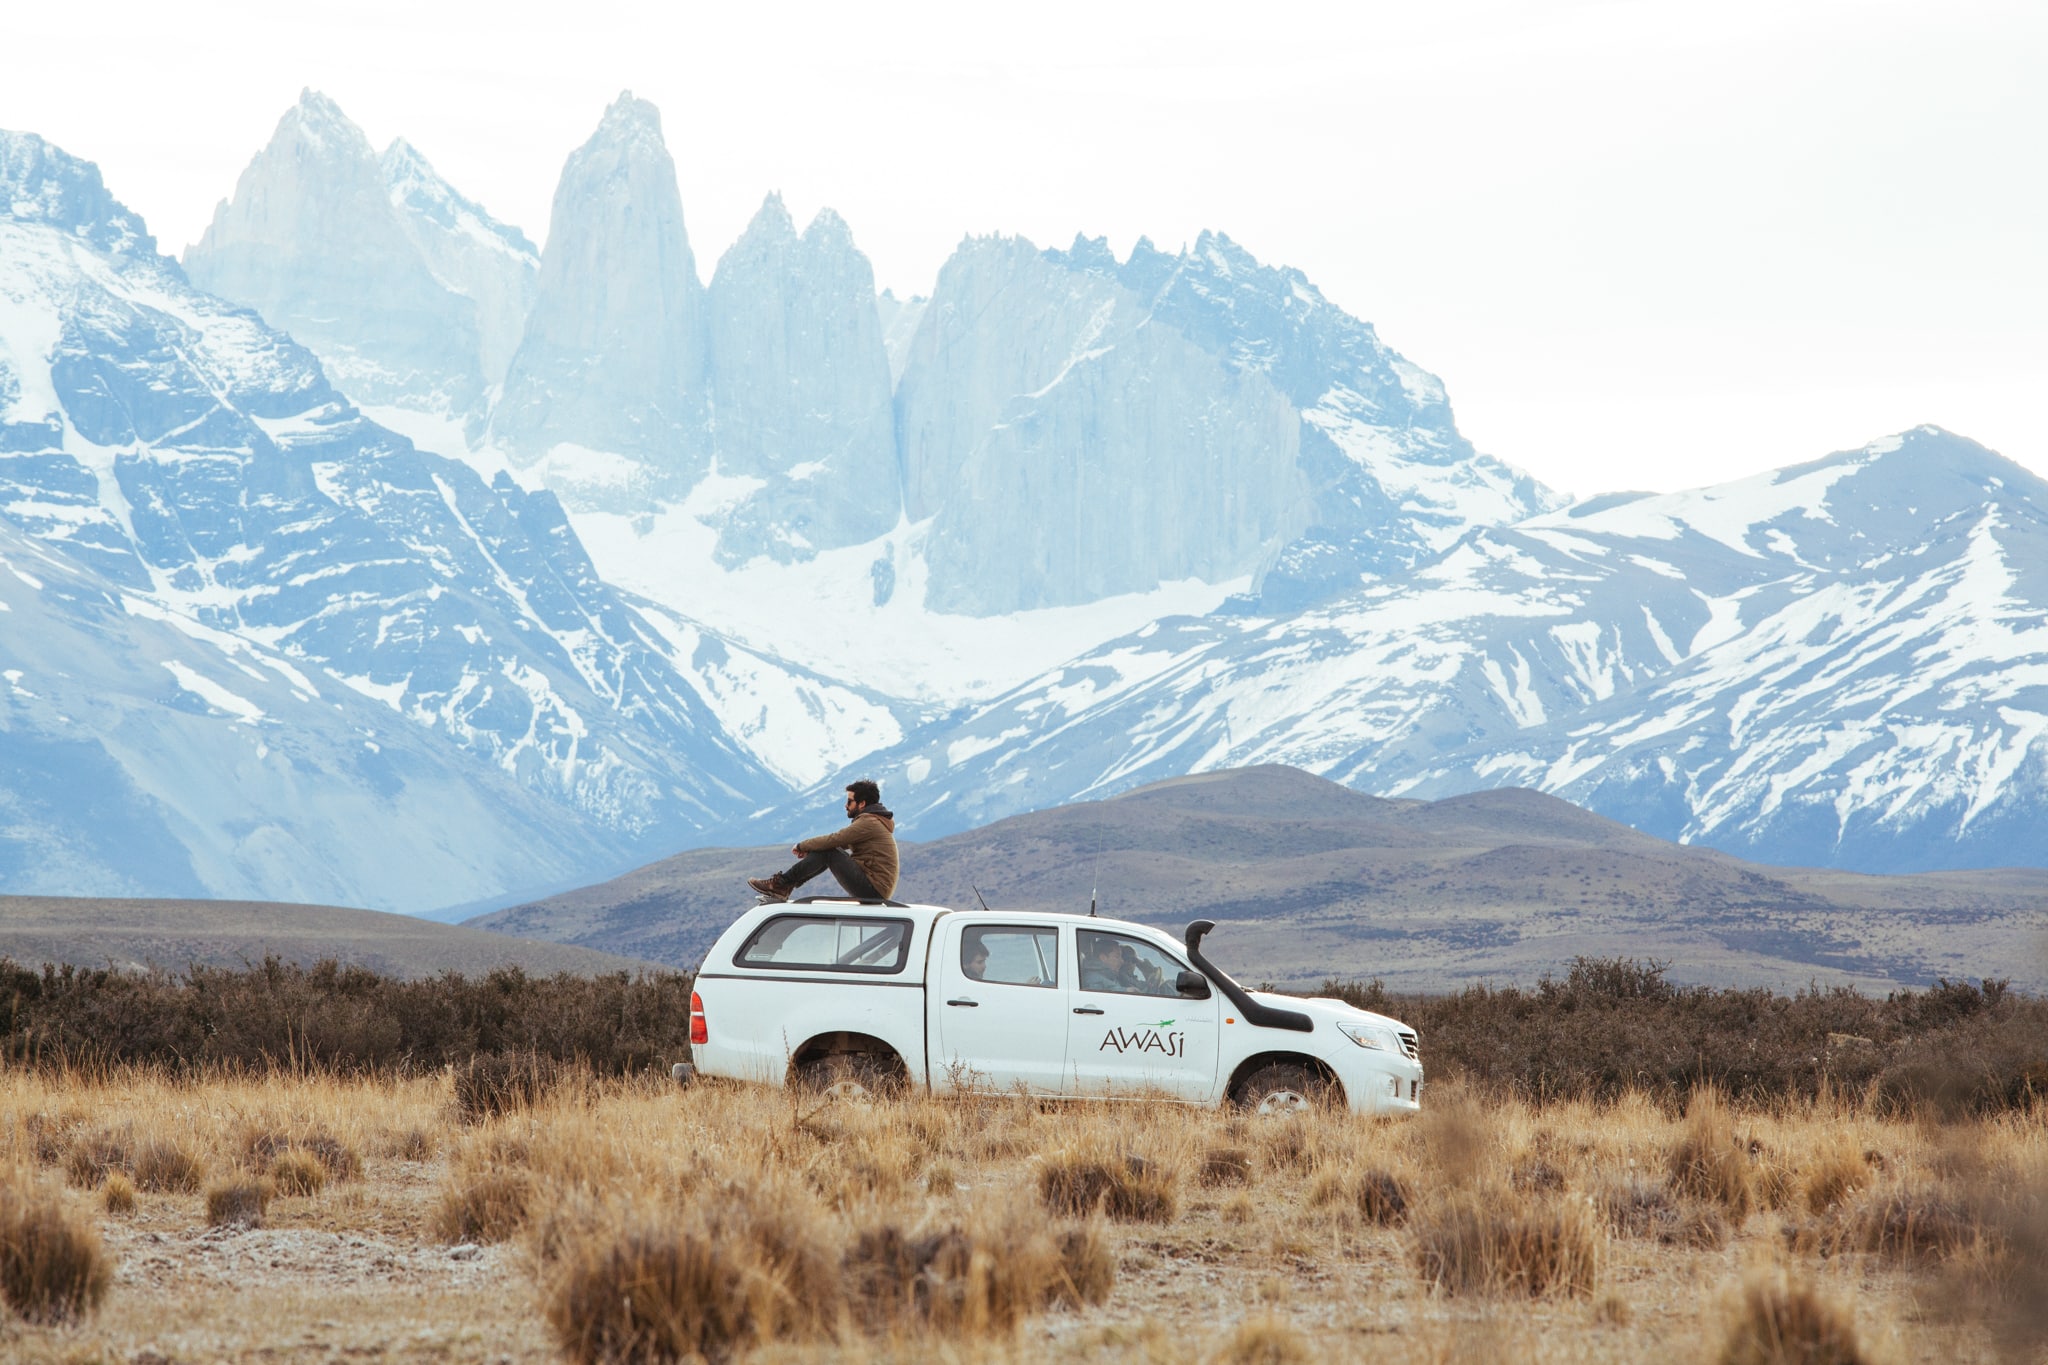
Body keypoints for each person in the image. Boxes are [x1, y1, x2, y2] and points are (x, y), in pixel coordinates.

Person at [747, 779, 898, 903]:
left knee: (829, 852)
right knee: (827, 851)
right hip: (874, 888)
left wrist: (802, 845)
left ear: (862, 804)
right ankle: (783, 886)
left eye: (849, 801)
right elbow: (840, 843)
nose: (846, 806)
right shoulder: (872, 821)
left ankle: (781, 885)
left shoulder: (869, 822)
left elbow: (835, 839)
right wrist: (812, 850)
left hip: (874, 890)